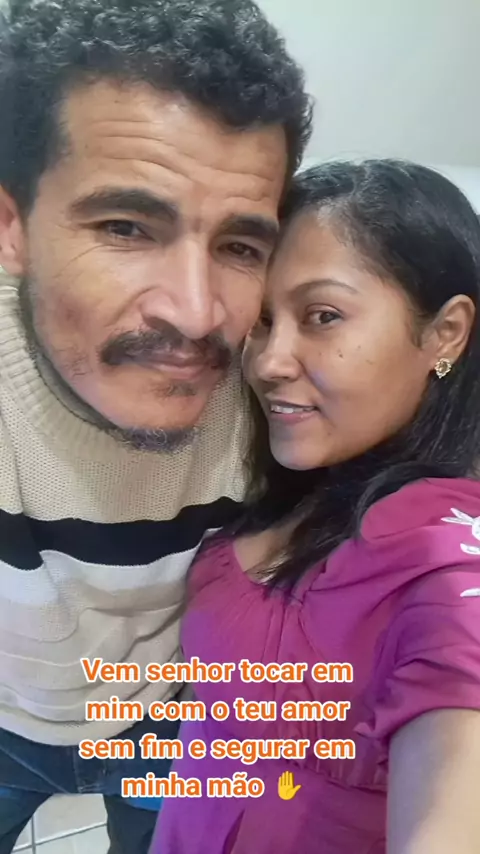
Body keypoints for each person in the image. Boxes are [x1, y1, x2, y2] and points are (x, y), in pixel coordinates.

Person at [0, 0, 312, 850]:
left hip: (168, 721)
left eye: (240, 246)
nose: (197, 313)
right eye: (126, 227)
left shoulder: (282, 393)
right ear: (12, 227)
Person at [152, 160, 480, 854]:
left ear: (445, 332)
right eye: (264, 321)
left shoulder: (445, 555)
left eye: (322, 316)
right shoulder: (285, 478)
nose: (269, 361)